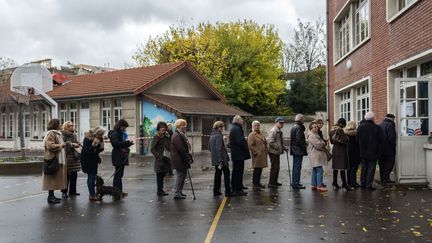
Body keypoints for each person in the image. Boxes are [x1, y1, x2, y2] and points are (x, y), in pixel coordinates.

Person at [357, 112, 384, 191]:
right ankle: (369, 185)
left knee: (364, 168)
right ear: (373, 118)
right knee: (371, 169)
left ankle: (363, 184)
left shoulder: (360, 127)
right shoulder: (377, 128)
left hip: (363, 151)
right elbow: (381, 140)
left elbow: (357, 139)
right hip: (374, 152)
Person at [42, 119, 67, 204]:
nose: (61, 125)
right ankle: (50, 196)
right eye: (59, 123)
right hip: (52, 159)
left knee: (54, 178)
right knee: (51, 178)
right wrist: (61, 145)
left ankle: (52, 196)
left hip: (57, 159)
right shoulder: (51, 133)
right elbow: (50, 146)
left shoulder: (58, 133)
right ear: (55, 125)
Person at [80, 126, 105, 201]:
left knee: (92, 176)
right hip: (87, 160)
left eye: (102, 135)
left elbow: (101, 149)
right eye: (99, 135)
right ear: (95, 133)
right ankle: (92, 195)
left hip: (94, 159)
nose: (100, 136)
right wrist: (93, 145)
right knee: (92, 176)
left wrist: (98, 149)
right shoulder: (87, 139)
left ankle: (92, 194)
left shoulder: (99, 138)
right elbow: (88, 152)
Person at [110, 119, 133, 197]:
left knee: (119, 175)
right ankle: (116, 192)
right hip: (117, 156)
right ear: (120, 126)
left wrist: (128, 144)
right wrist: (126, 143)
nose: (125, 129)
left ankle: (119, 191)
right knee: (117, 175)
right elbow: (116, 144)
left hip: (120, 156)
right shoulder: (115, 134)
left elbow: (120, 144)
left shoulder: (119, 133)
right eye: (124, 127)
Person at [171, 119, 193, 199]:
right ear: (178, 126)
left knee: (182, 175)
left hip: (180, 159)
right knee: (180, 176)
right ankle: (177, 193)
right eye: (183, 125)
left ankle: (179, 192)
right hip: (179, 160)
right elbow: (181, 149)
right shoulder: (177, 135)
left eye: (185, 125)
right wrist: (187, 158)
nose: (185, 126)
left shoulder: (181, 134)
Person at [229, 115, 250, 196]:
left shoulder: (234, 128)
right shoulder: (237, 128)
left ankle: (238, 186)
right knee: (238, 172)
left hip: (236, 153)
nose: (243, 121)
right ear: (237, 120)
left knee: (236, 171)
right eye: (241, 120)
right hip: (238, 154)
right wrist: (245, 146)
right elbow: (240, 141)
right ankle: (238, 189)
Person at [209, 121, 232, 196]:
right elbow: (219, 148)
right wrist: (220, 160)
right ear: (219, 127)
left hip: (215, 159)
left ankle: (216, 191)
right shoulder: (219, 135)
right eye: (222, 127)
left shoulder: (212, 135)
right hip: (221, 160)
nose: (223, 128)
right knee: (226, 175)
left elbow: (209, 148)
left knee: (217, 175)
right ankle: (228, 192)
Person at [329, 118, 351, 191]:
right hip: (341, 149)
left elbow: (331, 141)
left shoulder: (332, 129)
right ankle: (344, 184)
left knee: (336, 167)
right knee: (342, 167)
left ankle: (334, 182)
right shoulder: (340, 130)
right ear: (343, 124)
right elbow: (345, 140)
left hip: (335, 149)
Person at [60, 121, 81, 198]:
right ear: (66, 127)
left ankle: (72, 191)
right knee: (66, 176)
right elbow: (63, 145)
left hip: (74, 157)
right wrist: (71, 144)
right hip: (67, 157)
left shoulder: (74, 134)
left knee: (74, 174)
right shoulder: (63, 134)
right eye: (69, 126)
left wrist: (77, 143)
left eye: (72, 125)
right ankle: (64, 192)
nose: (71, 127)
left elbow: (75, 142)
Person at [151, 121, 171, 196]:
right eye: (161, 127)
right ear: (158, 129)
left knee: (163, 174)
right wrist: (158, 156)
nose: (163, 128)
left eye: (164, 127)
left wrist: (168, 137)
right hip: (160, 160)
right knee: (159, 175)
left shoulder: (165, 137)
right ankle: (159, 191)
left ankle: (161, 190)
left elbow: (169, 147)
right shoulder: (156, 137)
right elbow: (152, 149)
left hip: (166, 159)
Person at [307, 122, 328, 192]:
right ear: (311, 129)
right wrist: (323, 143)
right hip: (315, 155)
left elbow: (320, 143)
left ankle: (314, 185)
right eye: (314, 127)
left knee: (315, 170)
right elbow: (319, 145)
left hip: (316, 155)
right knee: (319, 170)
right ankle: (319, 186)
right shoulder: (312, 135)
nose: (316, 128)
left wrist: (322, 143)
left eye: (316, 126)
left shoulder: (315, 134)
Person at [267, 117, 287, 188]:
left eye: (282, 123)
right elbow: (270, 141)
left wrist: (284, 147)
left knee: (276, 167)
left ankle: (274, 181)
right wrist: (278, 147)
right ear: (276, 123)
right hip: (273, 152)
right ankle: (271, 183)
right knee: (274, 167)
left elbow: (280, 141)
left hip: (276, 152)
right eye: (280, 123)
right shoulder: (273, 130)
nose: (282, 124)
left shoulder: (279, 130)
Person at [247, 120, 268, 190]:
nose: (257, 127)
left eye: (258, 125)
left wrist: (266, 149)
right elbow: (250, 145)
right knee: (256, 170)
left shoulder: (261, 134)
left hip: (262, 155)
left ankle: (258, 183)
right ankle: (255, 184)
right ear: (252, 127)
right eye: (255, 125)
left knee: (260, 169)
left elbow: (265, 142)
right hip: (257, 156)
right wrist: (257, 152)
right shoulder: (252, 135)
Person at [290, 114, 307, 189]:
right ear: (301, 119)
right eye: (303, 119)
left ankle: (294, 182)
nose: (304, 120)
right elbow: (299, 140)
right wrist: (304, 147)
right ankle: (296, 183)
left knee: (295, 166)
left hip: (295, 149)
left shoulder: (294, 126)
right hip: (298, 150)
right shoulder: (299, 127)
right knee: (297, 167)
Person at [379, 114, 396, 184]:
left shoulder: (381, 124)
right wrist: (394, 146)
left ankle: (383, 178)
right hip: (388, 148)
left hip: (380, 148)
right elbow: (391, 137)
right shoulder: (390, 125)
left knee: (382, 164)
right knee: (390, 163)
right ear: (392, 119)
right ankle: (386, 178)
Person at [344, 121, 361, 188]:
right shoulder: (356, 133)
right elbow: (358, 143)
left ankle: (349, 183)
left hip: (347, 152)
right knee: (354, 168)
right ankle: (353, 182)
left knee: (349, 168)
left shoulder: (345, 133)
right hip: (355, 152)